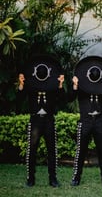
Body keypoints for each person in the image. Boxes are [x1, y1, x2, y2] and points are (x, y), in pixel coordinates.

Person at [17, 55, 65, 187]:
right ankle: (30, 179)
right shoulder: (31, 84)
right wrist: (21, 84)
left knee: (52, 150)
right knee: (32, 150)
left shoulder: (52, 85)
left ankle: (53, 179)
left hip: (49, 120)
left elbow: (63, 98)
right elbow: (19, 98)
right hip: (35, 120)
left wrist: (60, 84)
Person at [70, 56, 102, 187]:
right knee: (81, 151)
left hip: (99, 121)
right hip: (85, 121)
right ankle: (76, 178)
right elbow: (69, 98)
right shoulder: (81, 84)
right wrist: (74, 86)